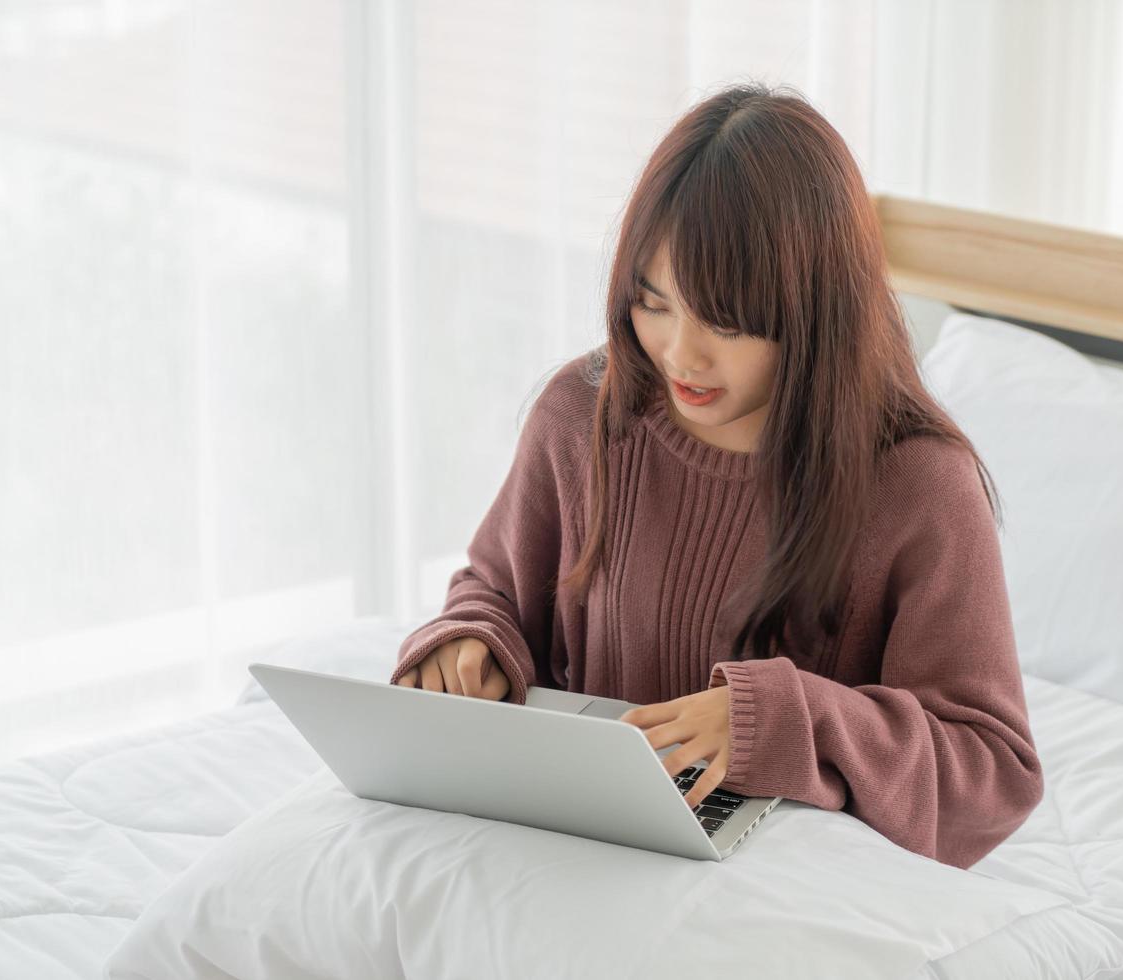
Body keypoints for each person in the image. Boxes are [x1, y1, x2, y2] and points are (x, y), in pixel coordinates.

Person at [391, 81, 1042, 871]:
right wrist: (471, 646)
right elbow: (495, 592)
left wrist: (777, 724)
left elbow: (991, 773)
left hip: (795, 892)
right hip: (579, 854)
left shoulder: (917, 487)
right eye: (652, 303)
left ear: (815, 309)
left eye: (726, 321)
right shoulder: (581, 415)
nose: (681, 355)